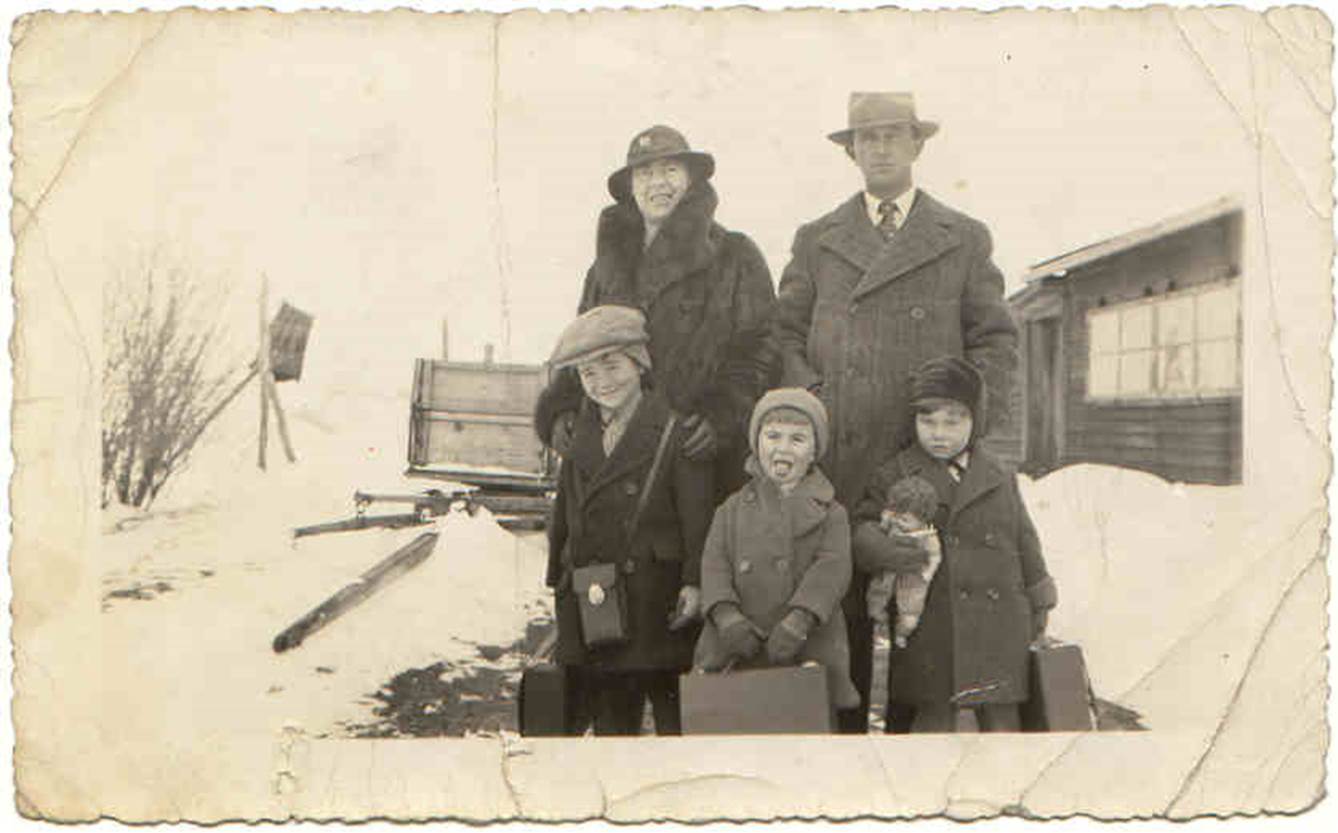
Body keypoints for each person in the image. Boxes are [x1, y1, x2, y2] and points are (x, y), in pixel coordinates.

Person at [774, 91, 1020, 733]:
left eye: (893, 135)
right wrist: (814, 408)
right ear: (851, 151)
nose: (880, 147)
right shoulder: (817, 240)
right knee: (841, 627)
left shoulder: (962, 238)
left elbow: (995, 341)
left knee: (927, 635)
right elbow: (782, 337)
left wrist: (962, 429)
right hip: (841, 461)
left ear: (916, 145)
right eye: (867, 137)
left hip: (928, 458)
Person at [535, 125, 777, 503]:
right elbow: (582, 348)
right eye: (645, 173)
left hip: (691, 452)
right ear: (631, 187)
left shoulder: (736, 256)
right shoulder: (604, 270)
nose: (657, 183)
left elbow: (760, 348)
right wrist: (561, 409)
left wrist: (723, 415)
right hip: (612, 450)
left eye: (670, 170)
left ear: (691, 180)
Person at [852, 356, 1057, 733]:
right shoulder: (895, 473)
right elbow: (863, 528)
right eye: (927, 421)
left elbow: (1024, 537)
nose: (939, 433)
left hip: (1000, 623)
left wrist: (1040, 594)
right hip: (931, 624)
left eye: (953, 421)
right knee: (933, 724)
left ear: (974, 420)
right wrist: (888, 551)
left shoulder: (997, 473)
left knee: (1002, 725)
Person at [544, 305, 715, 735]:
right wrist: (560, 578)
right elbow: (566, 508)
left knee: (677, 725)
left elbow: (697, 516)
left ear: (640, 363)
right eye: (588, 374)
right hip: (599, 600)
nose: (603, 382)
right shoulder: (577, 433)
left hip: (658, 600)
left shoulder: (675, 432)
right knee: (612, 725)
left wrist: (695, 581)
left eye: (612, 365)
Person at [692, 388, 860, 713]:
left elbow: (832, 570)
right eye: (773, 436)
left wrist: (799, 620)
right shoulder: (731, 509)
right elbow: (714, 566)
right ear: (757, 443)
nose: (783, 448)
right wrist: (727, 618)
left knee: (802, 724)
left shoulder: (832, 513)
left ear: (815, 451)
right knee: (734, 726)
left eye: (797, 440)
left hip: (806, 642)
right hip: (737, 643)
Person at [866, 475, 941, 650]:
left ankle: (902, 633)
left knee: (910, 612)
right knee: (877, 598)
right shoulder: (894, 524)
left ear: (922, 520)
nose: (898, 522)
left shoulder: (928, 537)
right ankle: (880, 629)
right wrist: (886, 519)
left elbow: (935, 556)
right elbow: (882, 530)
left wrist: (928, 573)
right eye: (896, 516)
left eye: (905, 520)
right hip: (889, 571)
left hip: (913, 579)